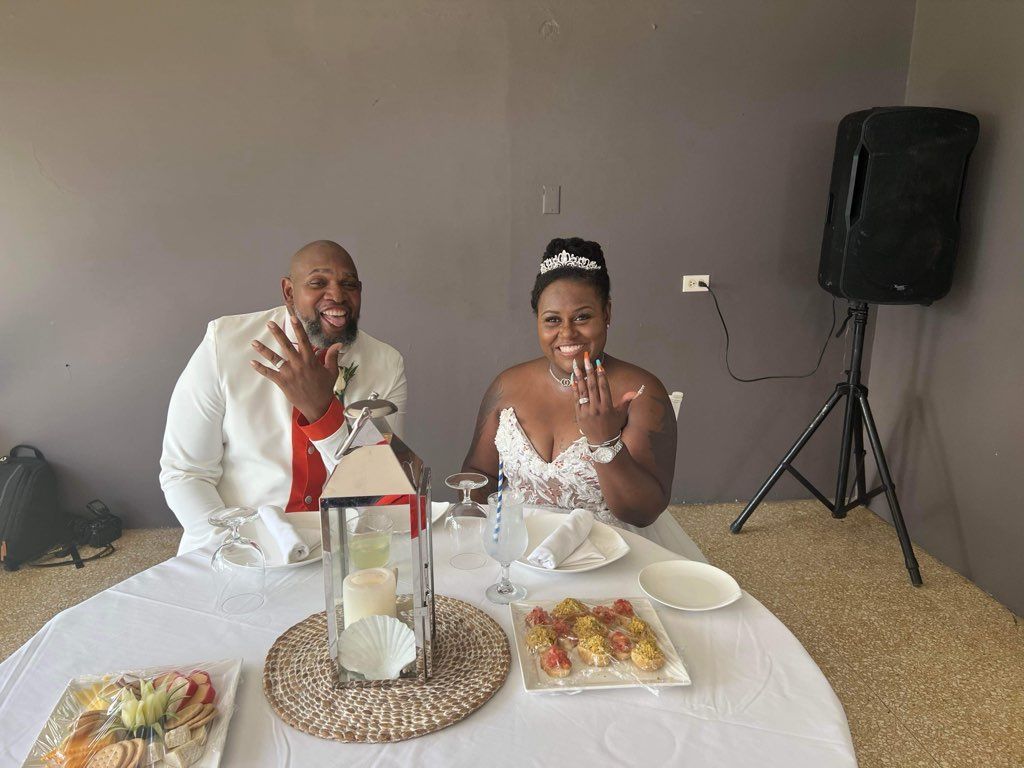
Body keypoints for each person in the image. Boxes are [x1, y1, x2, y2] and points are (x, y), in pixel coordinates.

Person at [462, 237, 703, 560]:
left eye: (582, 317)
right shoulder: (507, 385)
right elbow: (480, 474)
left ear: (607, 313)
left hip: (607, 555)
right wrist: (478, 535)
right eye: (552, 320)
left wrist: (605, 441)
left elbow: (642, 513)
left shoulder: (643, 391)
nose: (567, 334)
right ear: (537, 320)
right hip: (521, 550)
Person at [161, 240, 407, 554]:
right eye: (318, 283)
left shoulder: (386, 364)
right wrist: (232, 548)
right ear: (289, 292)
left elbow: (381, 491)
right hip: (238, 547)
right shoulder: (225, 343)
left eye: (349, 285)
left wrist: (322, 415)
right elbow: (186, 473)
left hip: (343, 549)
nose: (337, 296)